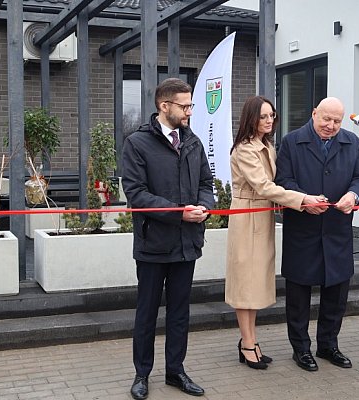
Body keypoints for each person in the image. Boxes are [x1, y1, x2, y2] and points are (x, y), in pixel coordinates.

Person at [122, 78, 214, 399]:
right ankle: (142, 375)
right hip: (153, 245)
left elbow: (205, 183)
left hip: (187, 244)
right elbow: (136, 194)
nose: (190, 111)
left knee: (179, 313)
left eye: (190, 105)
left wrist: (204, 207)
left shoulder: (193, 141)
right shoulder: (137, 143)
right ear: (165, 106)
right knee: (147, 313)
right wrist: (179, 213)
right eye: (185, 106)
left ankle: (176, 371)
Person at [275, 97, 359, 372]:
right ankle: (301, 348)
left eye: (337, 121)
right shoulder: (292, 142)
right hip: (303, 229)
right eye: (326, 119)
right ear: (314, 113)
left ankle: (328, 345)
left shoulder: (352, 142)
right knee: (298, 296)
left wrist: (354, 195)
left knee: (336, 294)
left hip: (337, 230)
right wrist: (304, 199)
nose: (331, 125)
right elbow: (283, 181)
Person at [226, 96, 307, 370]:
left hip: (261, 215)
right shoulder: (245, 149)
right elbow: (263, 186)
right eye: (263, 116)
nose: (269, 120)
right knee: (244, 283)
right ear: (251, 118)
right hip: (247, 216)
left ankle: (249, 340)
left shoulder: (267, 145)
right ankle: (247, 343)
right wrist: (302, 199)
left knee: (254, 283)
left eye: (271, 115)